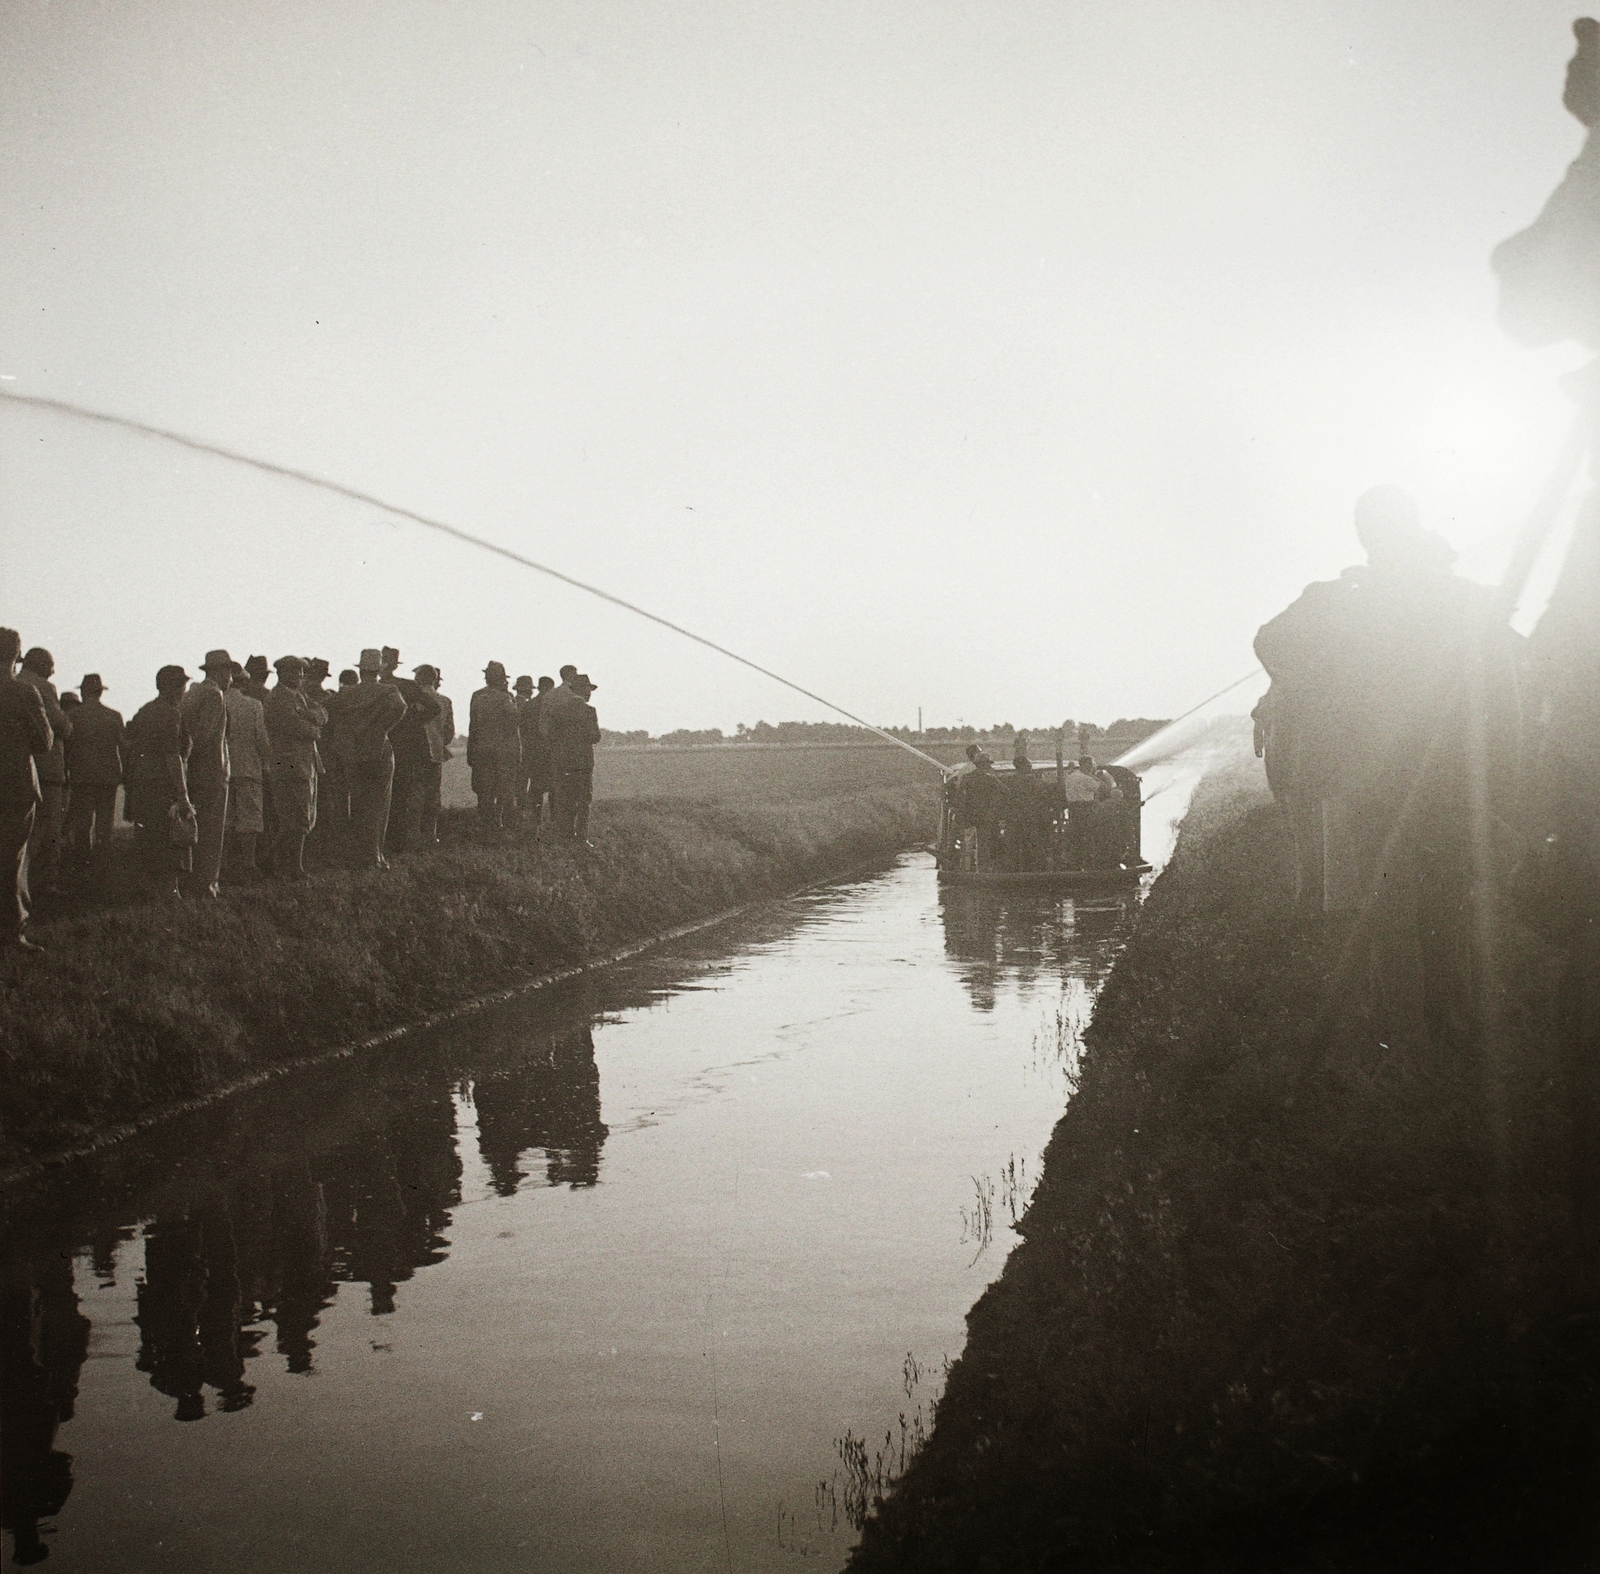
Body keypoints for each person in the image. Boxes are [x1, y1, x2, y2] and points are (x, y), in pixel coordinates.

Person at [1254, 486, 1521, 1035]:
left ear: (1366, 536)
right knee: (1444, 908)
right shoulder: (1455, 600)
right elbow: (1508, 680)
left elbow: (1271, 643)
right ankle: (1445, 1037)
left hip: (1379, 783)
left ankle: (1401, 1038)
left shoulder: (1349, 601)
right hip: (1447, 783)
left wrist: (1322, 679)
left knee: (1390, 911)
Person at [327, 649, 407, 870]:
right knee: (379, 804)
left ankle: (358, 854)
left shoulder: (346, 694)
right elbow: (401, 708)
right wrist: (381, 728)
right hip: (379, 751)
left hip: (353, 753)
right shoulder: (389, 691)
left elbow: (331, 713)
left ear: (361, 670)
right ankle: (375, 855)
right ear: (379, 670)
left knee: (359, 804)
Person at [0, 630, 52, 951]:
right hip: (17, 786)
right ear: (17, 655)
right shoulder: (23, 692)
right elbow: (45, 743)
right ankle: (13, 932)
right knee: (11, 861)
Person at [123, 665, 195, 899]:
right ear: (171, 688)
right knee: (170, 837)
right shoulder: (170, 713)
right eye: (180, 685)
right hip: (163, 784)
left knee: (149, 838)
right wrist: (182, 794)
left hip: (142, 782)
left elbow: (130, 739)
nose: (183, 689)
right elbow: (172, 756)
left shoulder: (146, 710)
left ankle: (147, 888)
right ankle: (169, 890)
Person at [263, 656, 326, 880]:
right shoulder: (278, 698)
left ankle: (286, 864)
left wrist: (309, 717)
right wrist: (312, 724)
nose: (299, 677)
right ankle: (287, 866)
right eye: (295, 672)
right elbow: (297, 728)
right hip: (288, 763)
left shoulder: (298, 696)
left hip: (303, 763)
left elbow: (322, 714)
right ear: (282, 674)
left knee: (302, 817)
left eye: (301, 672)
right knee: (295, 818)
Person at [16, 648, 71, 900]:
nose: (53, 670)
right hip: (47, 769)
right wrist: (69, 724)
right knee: (48, 829)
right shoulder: (44, 689)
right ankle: (44, 884)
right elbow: (60, 724)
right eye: (50, 664)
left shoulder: (15, 682)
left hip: (19, 767)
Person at [180, 651, 233, 898]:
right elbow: (206, 735)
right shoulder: (214, 695)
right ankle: (207, 882)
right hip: (212, 770)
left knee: (197, 827)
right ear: (221, 672)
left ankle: (192, 878)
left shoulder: (192, 693)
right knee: (212, 831)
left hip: (195, 771)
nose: (230, 678)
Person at [381, 647, 441, 855]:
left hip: (392, 747)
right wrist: (411, 723)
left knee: (393, 796)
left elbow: (434, 708)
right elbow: (434, 708)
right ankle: (393, 842)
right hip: (398, 747)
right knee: (397, 796)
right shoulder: (404, 686)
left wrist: (409, 724)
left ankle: (392, 842)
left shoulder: (401, 686)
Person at [62, 674, 124, 873]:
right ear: (100, 692)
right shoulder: (114, 716)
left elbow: (67, 748)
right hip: (108, 777)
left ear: (83, 691)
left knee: (84, 823)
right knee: (105, 825)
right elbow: (123, 747)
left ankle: (84, 864)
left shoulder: (73, 716)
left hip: (82, 776)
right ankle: (103, 864)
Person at [222, 664, 272, 882]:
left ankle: (223, 860)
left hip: (222, 767)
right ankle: (247, 863)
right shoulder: (253, 705)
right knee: (249, 818)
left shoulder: (218, 702)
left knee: (226, 817)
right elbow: (261, 740)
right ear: (244, 683)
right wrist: (268, 763)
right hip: (248, 767)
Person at [468, 661, 521, 838]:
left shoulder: (477, 696)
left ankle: (487, 826)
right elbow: (514, 722)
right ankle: (504, 827)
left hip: (482, 748)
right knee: (505, 790)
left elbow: (473, 726)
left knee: (485, 791)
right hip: (503, 750)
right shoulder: (505, 697)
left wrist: (471, 750)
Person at [550, 674, 601, 844]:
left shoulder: (559, 711)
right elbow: (595, 737)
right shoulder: (589, 711)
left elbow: (552, 735)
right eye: (588, 689)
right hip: (583, 762)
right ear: (582, 690)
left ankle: (565, 835)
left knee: (566, 799)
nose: (590, 693)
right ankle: (581, 837)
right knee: (584, 800)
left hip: (563, 761)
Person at [317, 668, 360, 843]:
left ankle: (334, 835)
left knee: (335, 796)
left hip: (332, 755)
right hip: (355, 755)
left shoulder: (330, 701)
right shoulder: (361, 703)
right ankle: (350, 836)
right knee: (355, 796)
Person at [413, 665, 455, 847]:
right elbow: (449, 732)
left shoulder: (411, 699)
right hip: (436, 753)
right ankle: (431, 834)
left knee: (414, 794)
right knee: (433, 796)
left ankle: (414, 834)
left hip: (415, 754)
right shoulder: (444, 701)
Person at [520, 675, 556, 834]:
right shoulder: (553, 706)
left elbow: (523, 731)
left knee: (536, 789)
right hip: (550, 753)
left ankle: (534, 823)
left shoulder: (529, 706)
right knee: (555, 789)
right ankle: (556, 823)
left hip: (533, 753)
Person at [1059, 757, 1101, 869]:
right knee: (1088, 833)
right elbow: (1098, 787)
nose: (1093, 767)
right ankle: (1088, 860)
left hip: (1073, 808)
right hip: (1085, 808)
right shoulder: (1086, 778)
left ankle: (1075, 860)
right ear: (1086, 765)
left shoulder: (1070, 777)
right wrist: (1094, 775)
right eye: (1092, 764)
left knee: (1076, 833)